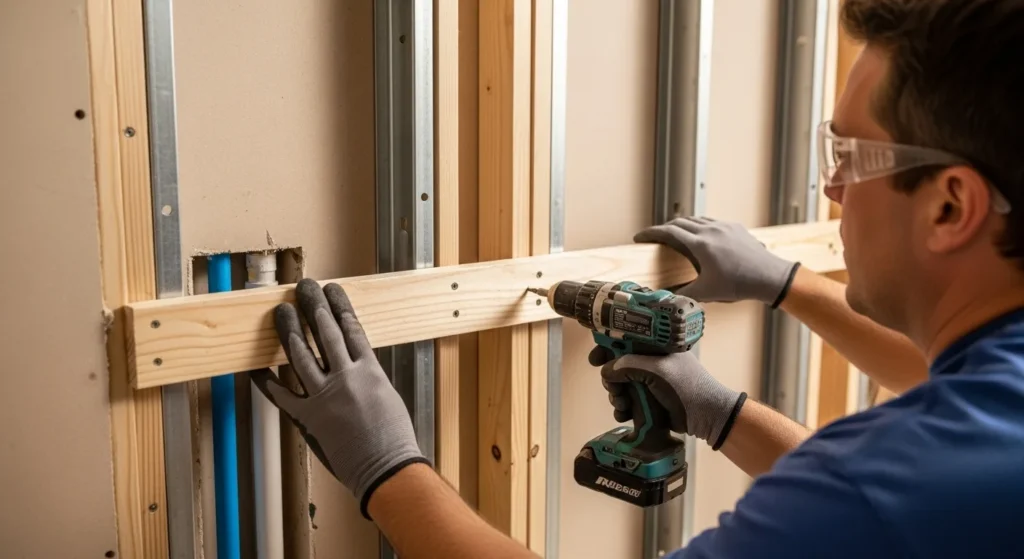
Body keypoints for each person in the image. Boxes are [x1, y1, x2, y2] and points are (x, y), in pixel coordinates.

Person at [250, 0, 1024, 556]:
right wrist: (724, 405)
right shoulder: (966, 442)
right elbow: (897, 508)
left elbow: (872, 505)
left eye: (849, 157)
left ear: (951, 204)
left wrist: (387, 467)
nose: (831, 189)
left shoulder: (882, 486)